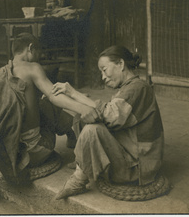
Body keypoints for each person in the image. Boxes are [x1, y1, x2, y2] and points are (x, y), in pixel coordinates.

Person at [0, 32, 98, 201]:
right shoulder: (33, 68)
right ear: (31, 48)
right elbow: (54, 95)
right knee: (48, 104)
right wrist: (83, 108)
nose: (40, 56)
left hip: (4, 150)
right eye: (39, 52)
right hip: (33, 152)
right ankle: (72, 135)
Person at [52, 45, 164, 200]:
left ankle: (79, 179)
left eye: (104, 69)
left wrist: (73, 93)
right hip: (129, 156)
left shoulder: (138, 88)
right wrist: (75, 96)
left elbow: (108, 116)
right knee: (83, 114)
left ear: (121, 64)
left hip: (139, 169)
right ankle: (82, 162)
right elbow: (103, 112)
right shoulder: (130, 87)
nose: (103, 76)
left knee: (92, 129)